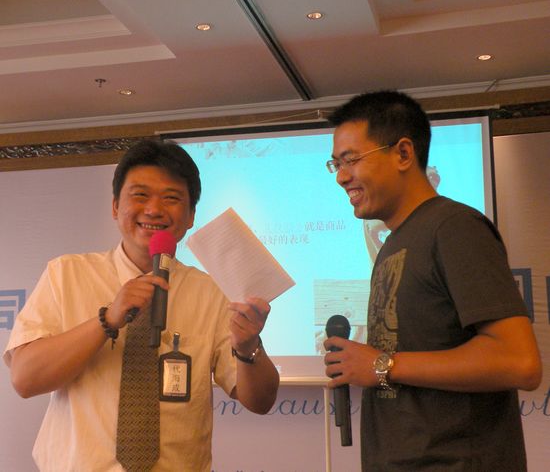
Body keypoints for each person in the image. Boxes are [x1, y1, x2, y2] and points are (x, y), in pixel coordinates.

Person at [3, 139, 280, 471]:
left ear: (191, 215)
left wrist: (248, 348)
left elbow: (260, 401)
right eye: (140, 195)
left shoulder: (212, 292)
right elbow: (25, 379)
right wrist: (107, 320)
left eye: (171, 198)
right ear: (115, 206)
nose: (154, 209)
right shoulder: (66, 274)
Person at [323, 91, 542, 471]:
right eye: (336, 164)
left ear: (403, 153)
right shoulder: (393, 245)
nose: (342, 176)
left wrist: (382, 365)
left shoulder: (454, 227)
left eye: (351, 160)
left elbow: (519, 361)